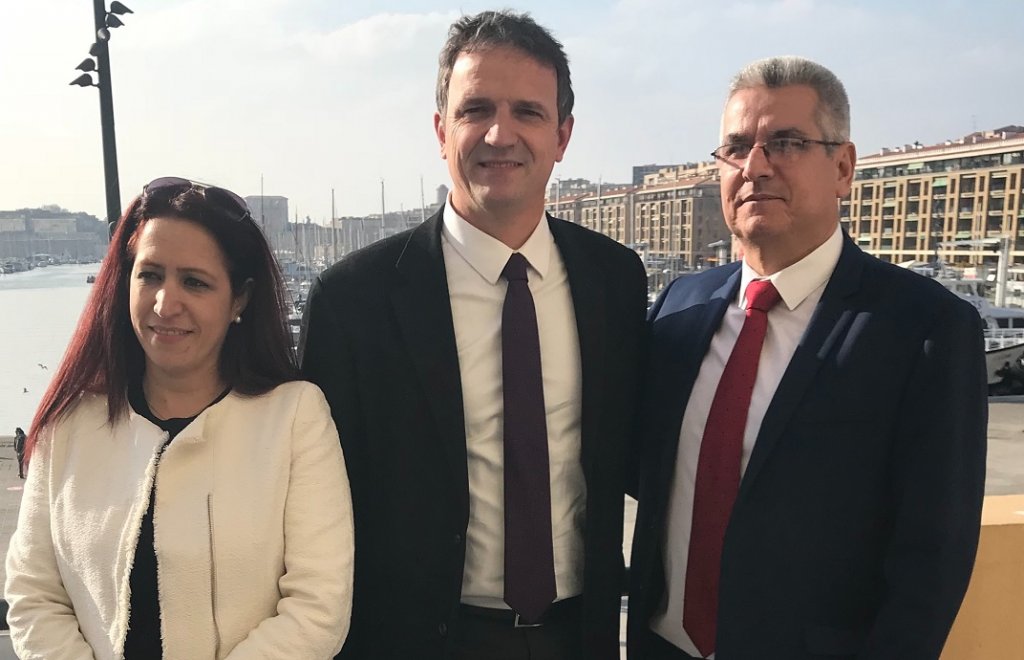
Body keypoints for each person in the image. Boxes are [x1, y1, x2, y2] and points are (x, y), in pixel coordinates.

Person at [300, 10, 647, 660]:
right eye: (476, 109)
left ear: (564, 134)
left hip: (585, 636)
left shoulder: (615, 281)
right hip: (415, 642)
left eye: (528, 112)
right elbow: (314, 507)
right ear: (440, 130)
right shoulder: (353, 302)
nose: (499, 133)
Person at [627, 56, 988, 660]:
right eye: (736, 148)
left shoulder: (924, 330)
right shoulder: (681, 306)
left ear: (843, 167)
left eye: (786, 143)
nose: (755, 167)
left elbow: (933, 557)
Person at [5, 177, 354, 659]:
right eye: (149, 275)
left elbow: (317, 606)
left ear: (240, 300)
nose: (166, 304)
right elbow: (33, 594)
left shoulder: (295, 418)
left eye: (195, 282)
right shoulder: (70, 423)